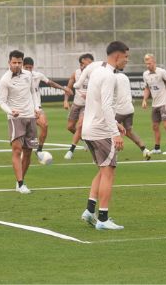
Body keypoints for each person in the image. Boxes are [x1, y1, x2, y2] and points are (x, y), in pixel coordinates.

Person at [79, 41, 130, 230]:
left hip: (89, 129)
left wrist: (115, 123)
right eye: (126, 57)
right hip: (101, 131)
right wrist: (115, 133)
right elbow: (107, 106)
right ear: (117, 56)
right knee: (109, 173)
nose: (127, 61)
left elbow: (98, 103)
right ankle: (103, 218)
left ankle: (89, 210)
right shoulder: (109, 76)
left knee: (102, 170)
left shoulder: (97, 71)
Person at [0, 50, 40, 194]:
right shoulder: (5, 80)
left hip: (31, 117)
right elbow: (2, 102)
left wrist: (37, 108)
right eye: (14, 62)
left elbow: (33, 93)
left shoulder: (28, 75)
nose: (17, 65)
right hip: (15, 119)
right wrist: (11, 111)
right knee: (17, 150)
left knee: (28, 152)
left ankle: (19, 182)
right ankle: (21, 184)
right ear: (9, 62)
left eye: (19, 62)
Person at [23, 57, 73, 159]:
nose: (28, 69)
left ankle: (39, 150)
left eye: (30, 67)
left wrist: (64, 88)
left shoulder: (37, 75)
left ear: (33, 67)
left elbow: (50, 83)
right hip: (24, 108)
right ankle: (22, 151)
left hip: (37, 108)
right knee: (25, 131)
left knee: (45, 125)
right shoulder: (19, 77)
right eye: (26, 67)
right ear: (23, 67)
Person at [141, 54, 166, 155]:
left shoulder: (161, 72)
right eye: (146, 64)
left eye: (149, 63)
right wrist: (144, 100)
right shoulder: (145, 74)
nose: (147, 65)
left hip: (164, 102)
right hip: (155, 104)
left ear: (154, 62)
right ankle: (157, 148)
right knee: (155, 126)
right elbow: (147, 88)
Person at [113, 66, 153, 160]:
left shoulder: (111, 78)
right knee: (129, 131)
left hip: (119, 110)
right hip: (129, 108)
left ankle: (113, 154)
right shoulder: (124, 76)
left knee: (109, 130)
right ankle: (144, 149)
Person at [63, 54, 94, 159]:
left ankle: (71, 151)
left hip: (87, 105)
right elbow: (68, 88)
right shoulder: (76, 73)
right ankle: (87, 141)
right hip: (76, 104)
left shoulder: (94, 75)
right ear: (82, 63)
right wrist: (66, 101)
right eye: (87, 62)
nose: (89, 65)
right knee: (70, 127)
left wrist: (90, 96)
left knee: (80, 125)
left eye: (91, 62)